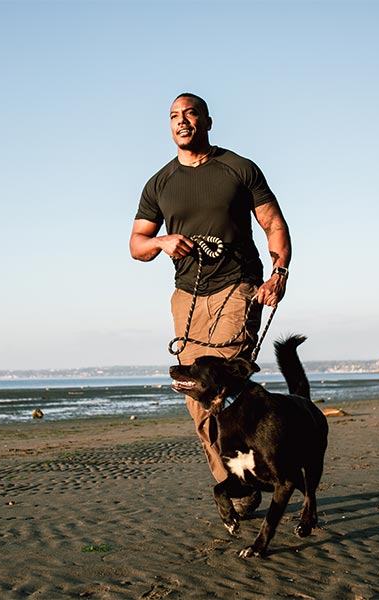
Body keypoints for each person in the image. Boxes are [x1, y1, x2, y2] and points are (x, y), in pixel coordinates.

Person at [129, 92, 292, 514]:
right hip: (187, 299)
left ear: (207, 121)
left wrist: (279, 273)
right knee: (195, 399)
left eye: (190, 114)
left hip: (238, 289)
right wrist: (161, 241)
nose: (182, 121)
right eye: (173, 117)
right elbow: (136, 244)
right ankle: (234, 482)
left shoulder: (238, 168)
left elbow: (272, 222)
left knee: (228, 389)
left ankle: (258, 466)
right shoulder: (159, 183)